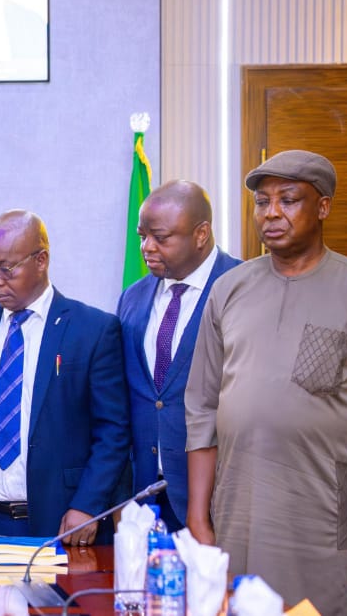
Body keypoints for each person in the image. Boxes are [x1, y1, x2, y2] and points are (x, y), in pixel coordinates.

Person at [186, 150, 347, 616]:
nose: (271, 213)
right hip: (239, 515)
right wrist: (198, 515)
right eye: (261, 202)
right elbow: (201, 409)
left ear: (323, 207)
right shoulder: (228, 290)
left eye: (288, 200)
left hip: (328, 521)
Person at [0, 210, 129, 546]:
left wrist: (87, 504)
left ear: (41, 261)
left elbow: (112, 430)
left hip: (65, 524)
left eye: (6, 269)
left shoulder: (93, 330)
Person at [116, 181, 240, 530]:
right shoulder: (133, 297)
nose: (146, 247)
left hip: (219, 500)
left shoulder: (243, 286)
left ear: (201, 234)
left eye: (160, 237)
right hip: (145, 499)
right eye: (142, 236)